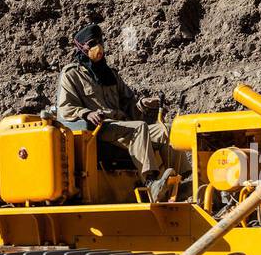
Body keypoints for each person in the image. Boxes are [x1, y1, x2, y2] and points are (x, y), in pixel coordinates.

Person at [54, 23, 179, 201]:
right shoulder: (72, 75)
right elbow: (65, 108)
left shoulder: (110, 74)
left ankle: (184, 180)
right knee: (139, 128)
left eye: (100, 41)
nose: (98, 47)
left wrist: (143, 104)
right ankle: (151, 184)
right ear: (82, 48)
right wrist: (86, 113)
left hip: (121, 124)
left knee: (167, 131)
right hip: (99, 128)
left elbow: (128, 105)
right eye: (92, 43)